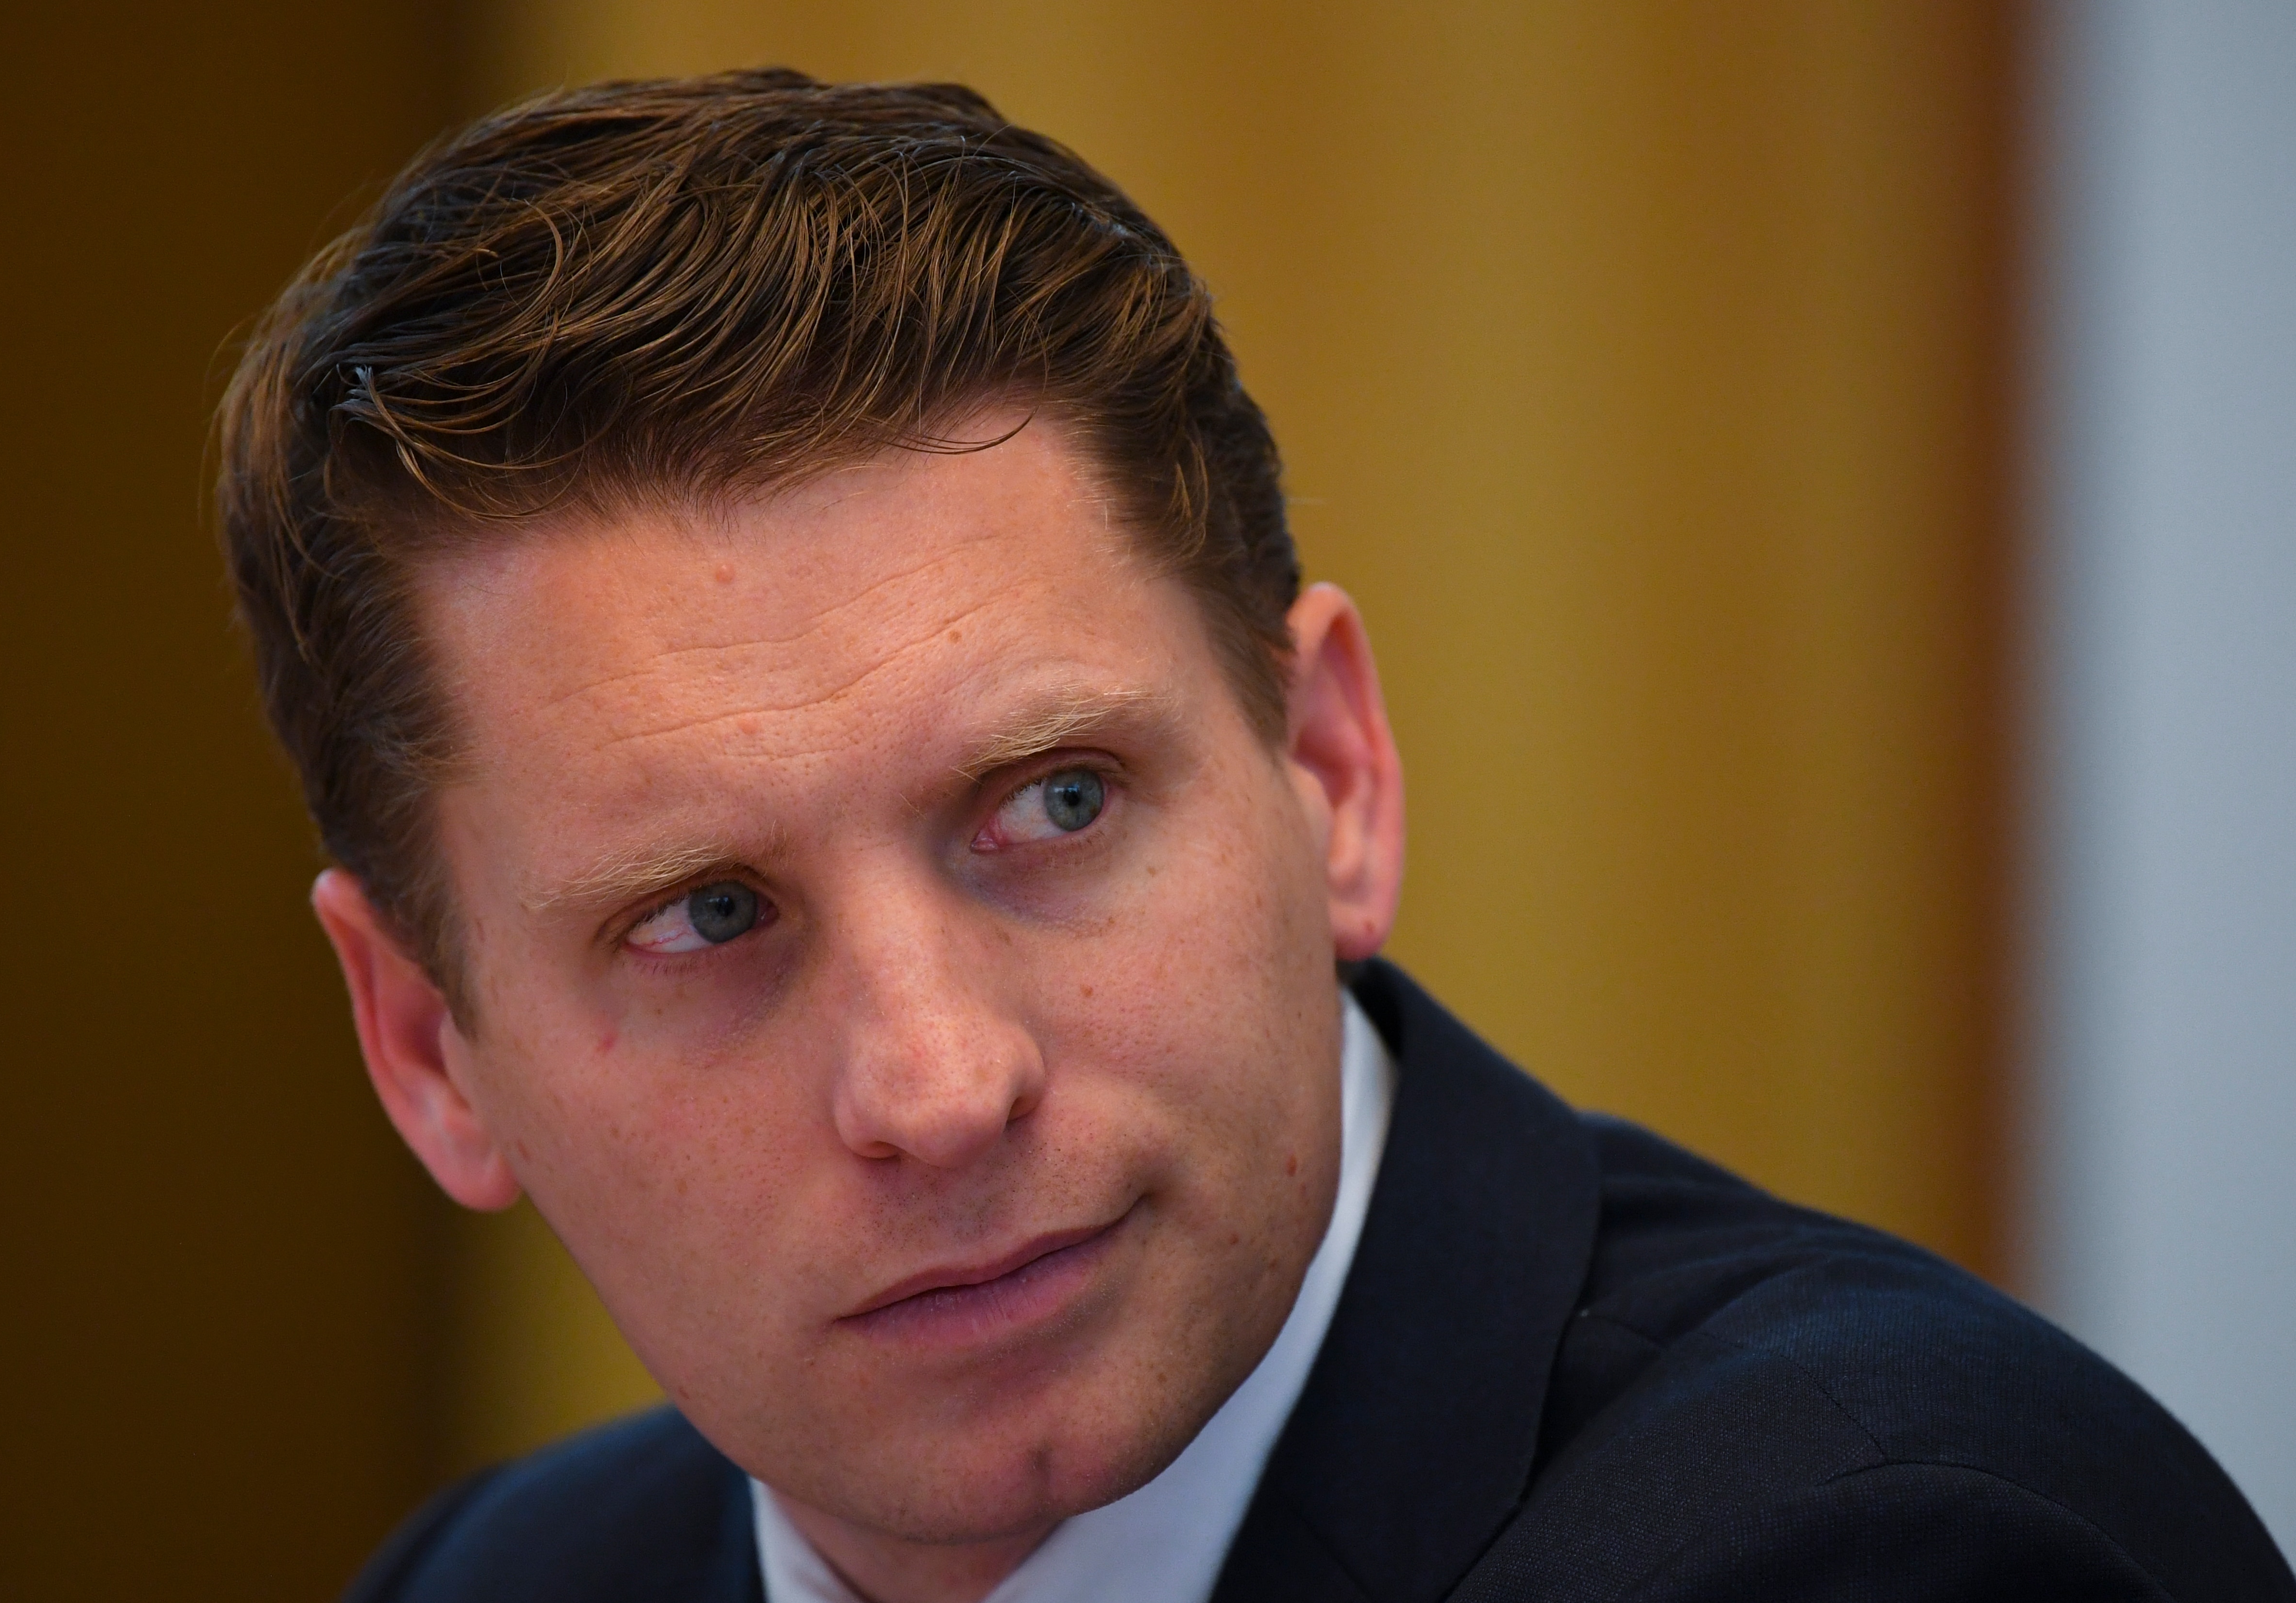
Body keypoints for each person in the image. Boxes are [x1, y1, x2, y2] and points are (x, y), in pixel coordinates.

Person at [216, 70, 2293, 1603]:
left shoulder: (1886, 1549)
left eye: (1050, 803)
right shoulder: (496, 1583)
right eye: (709, 913)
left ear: (1329, 773)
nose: (938, 1086)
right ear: (425, 1051)